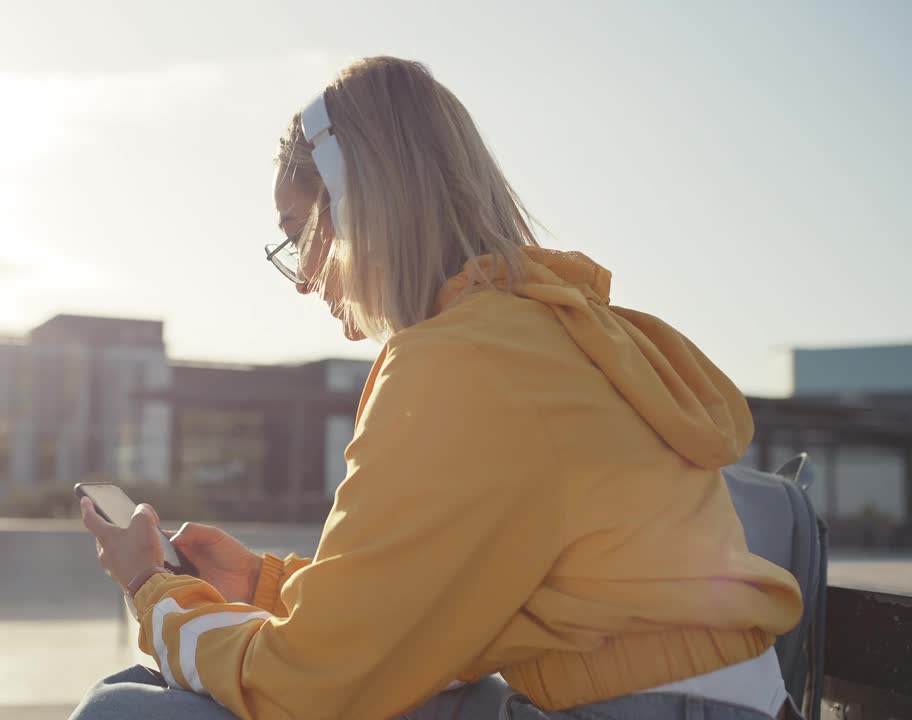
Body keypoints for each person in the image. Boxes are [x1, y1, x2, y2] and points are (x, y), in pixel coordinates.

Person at [71, 56, 804, 720]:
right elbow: (425, 603)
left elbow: (307, 687)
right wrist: (263, 585)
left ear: (359, 205)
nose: (301, 279)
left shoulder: (460, 366)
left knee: (125, 714)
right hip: (696, 702)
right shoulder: (550, 330)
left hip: (638, 713)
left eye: (298, 235)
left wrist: (151, 588)